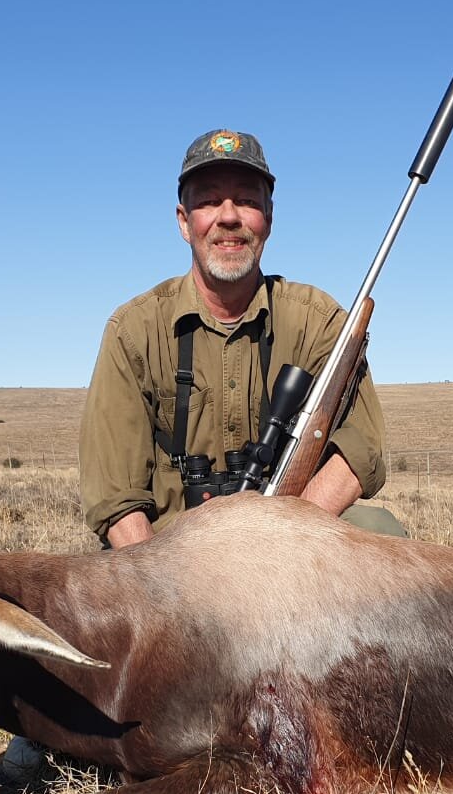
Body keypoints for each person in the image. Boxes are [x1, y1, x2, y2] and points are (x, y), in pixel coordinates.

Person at [78, 128, 404, 548]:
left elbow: (361, 451)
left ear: (268, 218)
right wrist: (164, 595)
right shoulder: (134, 330)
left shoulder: (319, 322)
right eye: (210, 200)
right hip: (168, 554)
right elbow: (115, 497)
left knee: (380, 532)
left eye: (247, 201)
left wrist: (277, 545)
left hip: (290, 536)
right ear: (184, 221)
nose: (229, 216)